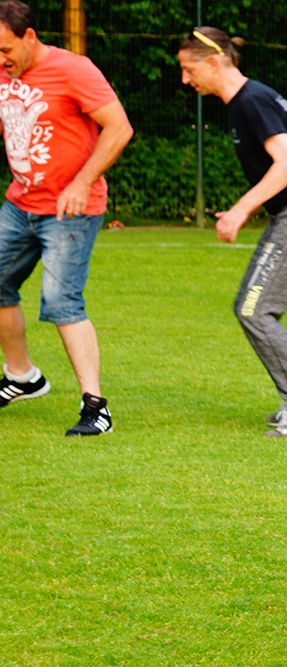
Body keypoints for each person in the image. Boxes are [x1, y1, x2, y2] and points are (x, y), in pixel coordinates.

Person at [178, 27, 287, 439]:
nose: (184, 79)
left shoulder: (252, 100)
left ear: (213, 62)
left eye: (187, 68)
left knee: (253, 309)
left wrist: (240, 211)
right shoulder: (246, 101)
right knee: (255, 308)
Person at [0, 0, 133, 436]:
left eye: (5, 51)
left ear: (30, 37)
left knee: (61, 303)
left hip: (69, 208)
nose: (1, 61)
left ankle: (97, 407)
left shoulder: (74, 69)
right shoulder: (3, 72)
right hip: (20, 203)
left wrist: (81, 182)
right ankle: (23, 377)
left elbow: (119, 127)